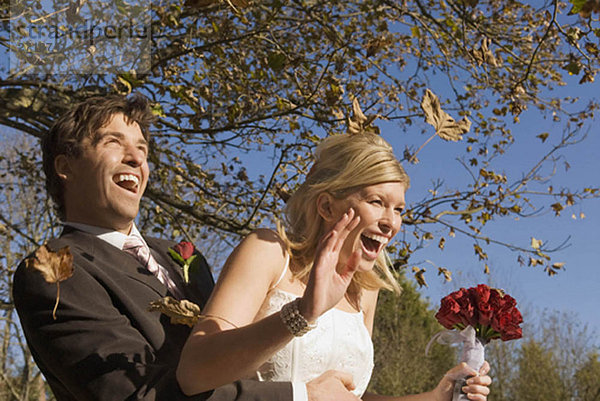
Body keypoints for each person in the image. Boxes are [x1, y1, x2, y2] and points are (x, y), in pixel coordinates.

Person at [12, 94, 358, 401]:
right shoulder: (54, 270)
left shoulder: (183, 258)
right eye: (113, 143)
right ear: (65, 166)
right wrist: (299, 397)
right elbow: (138, 393)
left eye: (142, 149)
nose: (136, 157)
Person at [176, 133, 492, 400]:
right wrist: (301, 314)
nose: (391, 223)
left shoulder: (365, 291)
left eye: (398, 210)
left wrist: (434, 397)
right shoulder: (269, 251)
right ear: (327, 205)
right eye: (377, 202)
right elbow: (193, 373)